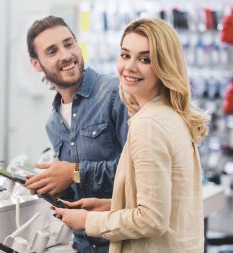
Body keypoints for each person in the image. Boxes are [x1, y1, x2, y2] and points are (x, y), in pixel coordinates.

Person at [55, 18, 210, 253]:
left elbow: (151, 219)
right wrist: (112, 206)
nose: (130, 66)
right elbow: (166, 206)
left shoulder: (149, 125)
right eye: (125, 55)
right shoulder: (172, 115)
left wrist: (88, 221)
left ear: (164, 65)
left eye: (145, 59)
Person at [24, 15, 129, 252]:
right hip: (83, 245)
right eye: (52, 51)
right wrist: (54, 186)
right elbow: (78, 192)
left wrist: (73, 173)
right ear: (36, 64)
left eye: (68, 44)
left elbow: (136, 171)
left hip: (121, 243)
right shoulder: (53, 123)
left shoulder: (115, 94)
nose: (65, 55)